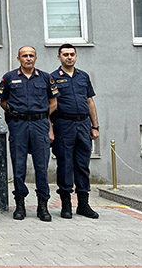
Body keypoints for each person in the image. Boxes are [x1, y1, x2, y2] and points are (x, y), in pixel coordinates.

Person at [0, 46, 58, 222]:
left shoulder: (45, 77)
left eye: (31, 55)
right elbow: (2, 101)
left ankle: (42, 205)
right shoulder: (9, 77)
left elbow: (53, 102)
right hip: (19, 125)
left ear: (36, 58)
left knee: (41, 166)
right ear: (19, 59)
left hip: (39, 124)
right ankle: (20, 204)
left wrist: (44, 118)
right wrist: (13, 113)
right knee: (19, 166)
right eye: (25, 56)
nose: (28, 58)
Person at [50, 44, 100, 219]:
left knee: (82, 165)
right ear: (59, 57)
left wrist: (95, 126)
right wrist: (50, 129)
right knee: (65, 164)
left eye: (72, 54)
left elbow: (89, 102)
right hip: (64, 124)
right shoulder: (53, 78)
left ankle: (83, 205)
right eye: (65, 54)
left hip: (83, 124)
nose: (69, 57)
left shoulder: (83, 76)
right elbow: (50, 105)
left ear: (76, 56)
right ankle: (66, 205)